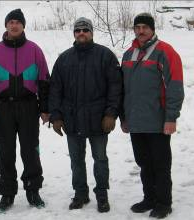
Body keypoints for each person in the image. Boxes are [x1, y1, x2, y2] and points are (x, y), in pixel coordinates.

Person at [0, 9, 50, 211]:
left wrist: (45, 108)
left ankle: (33, 190)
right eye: (11, 22)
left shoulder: (35, 50)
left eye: (18, 22)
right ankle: (7, 194)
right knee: (6, 152)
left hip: (28, 106)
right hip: (3, 109)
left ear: (23, 25)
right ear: (6, 25)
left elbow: (44, 81)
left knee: (31, 151)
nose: (14, 25)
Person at [49, 17, 122, 212]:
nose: (81, 33)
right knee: (76, 160)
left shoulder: (105, 56)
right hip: (72, 119)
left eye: (85, 30)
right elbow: (55, 89)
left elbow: (115, 87)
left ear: (91, 33)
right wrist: (56, 117)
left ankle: (102, 195)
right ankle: (80, 193)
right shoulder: (64, 59)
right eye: (78, 30)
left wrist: (111, 114)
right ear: (74, 33)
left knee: (100, 159)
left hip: (99, 119)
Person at [120, 13, 184, 219]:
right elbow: (124, 89)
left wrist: (171, 118)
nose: (140, 31)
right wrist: (124, 117)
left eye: (144, 27)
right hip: (136, 121)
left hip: (158, 121)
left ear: (152, 29)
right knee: (144, 163)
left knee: (160, 164)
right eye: (137, 27)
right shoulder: (128, 54)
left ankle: (164, 203)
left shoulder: (165, 52)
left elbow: (175, 86)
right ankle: (149, 198)